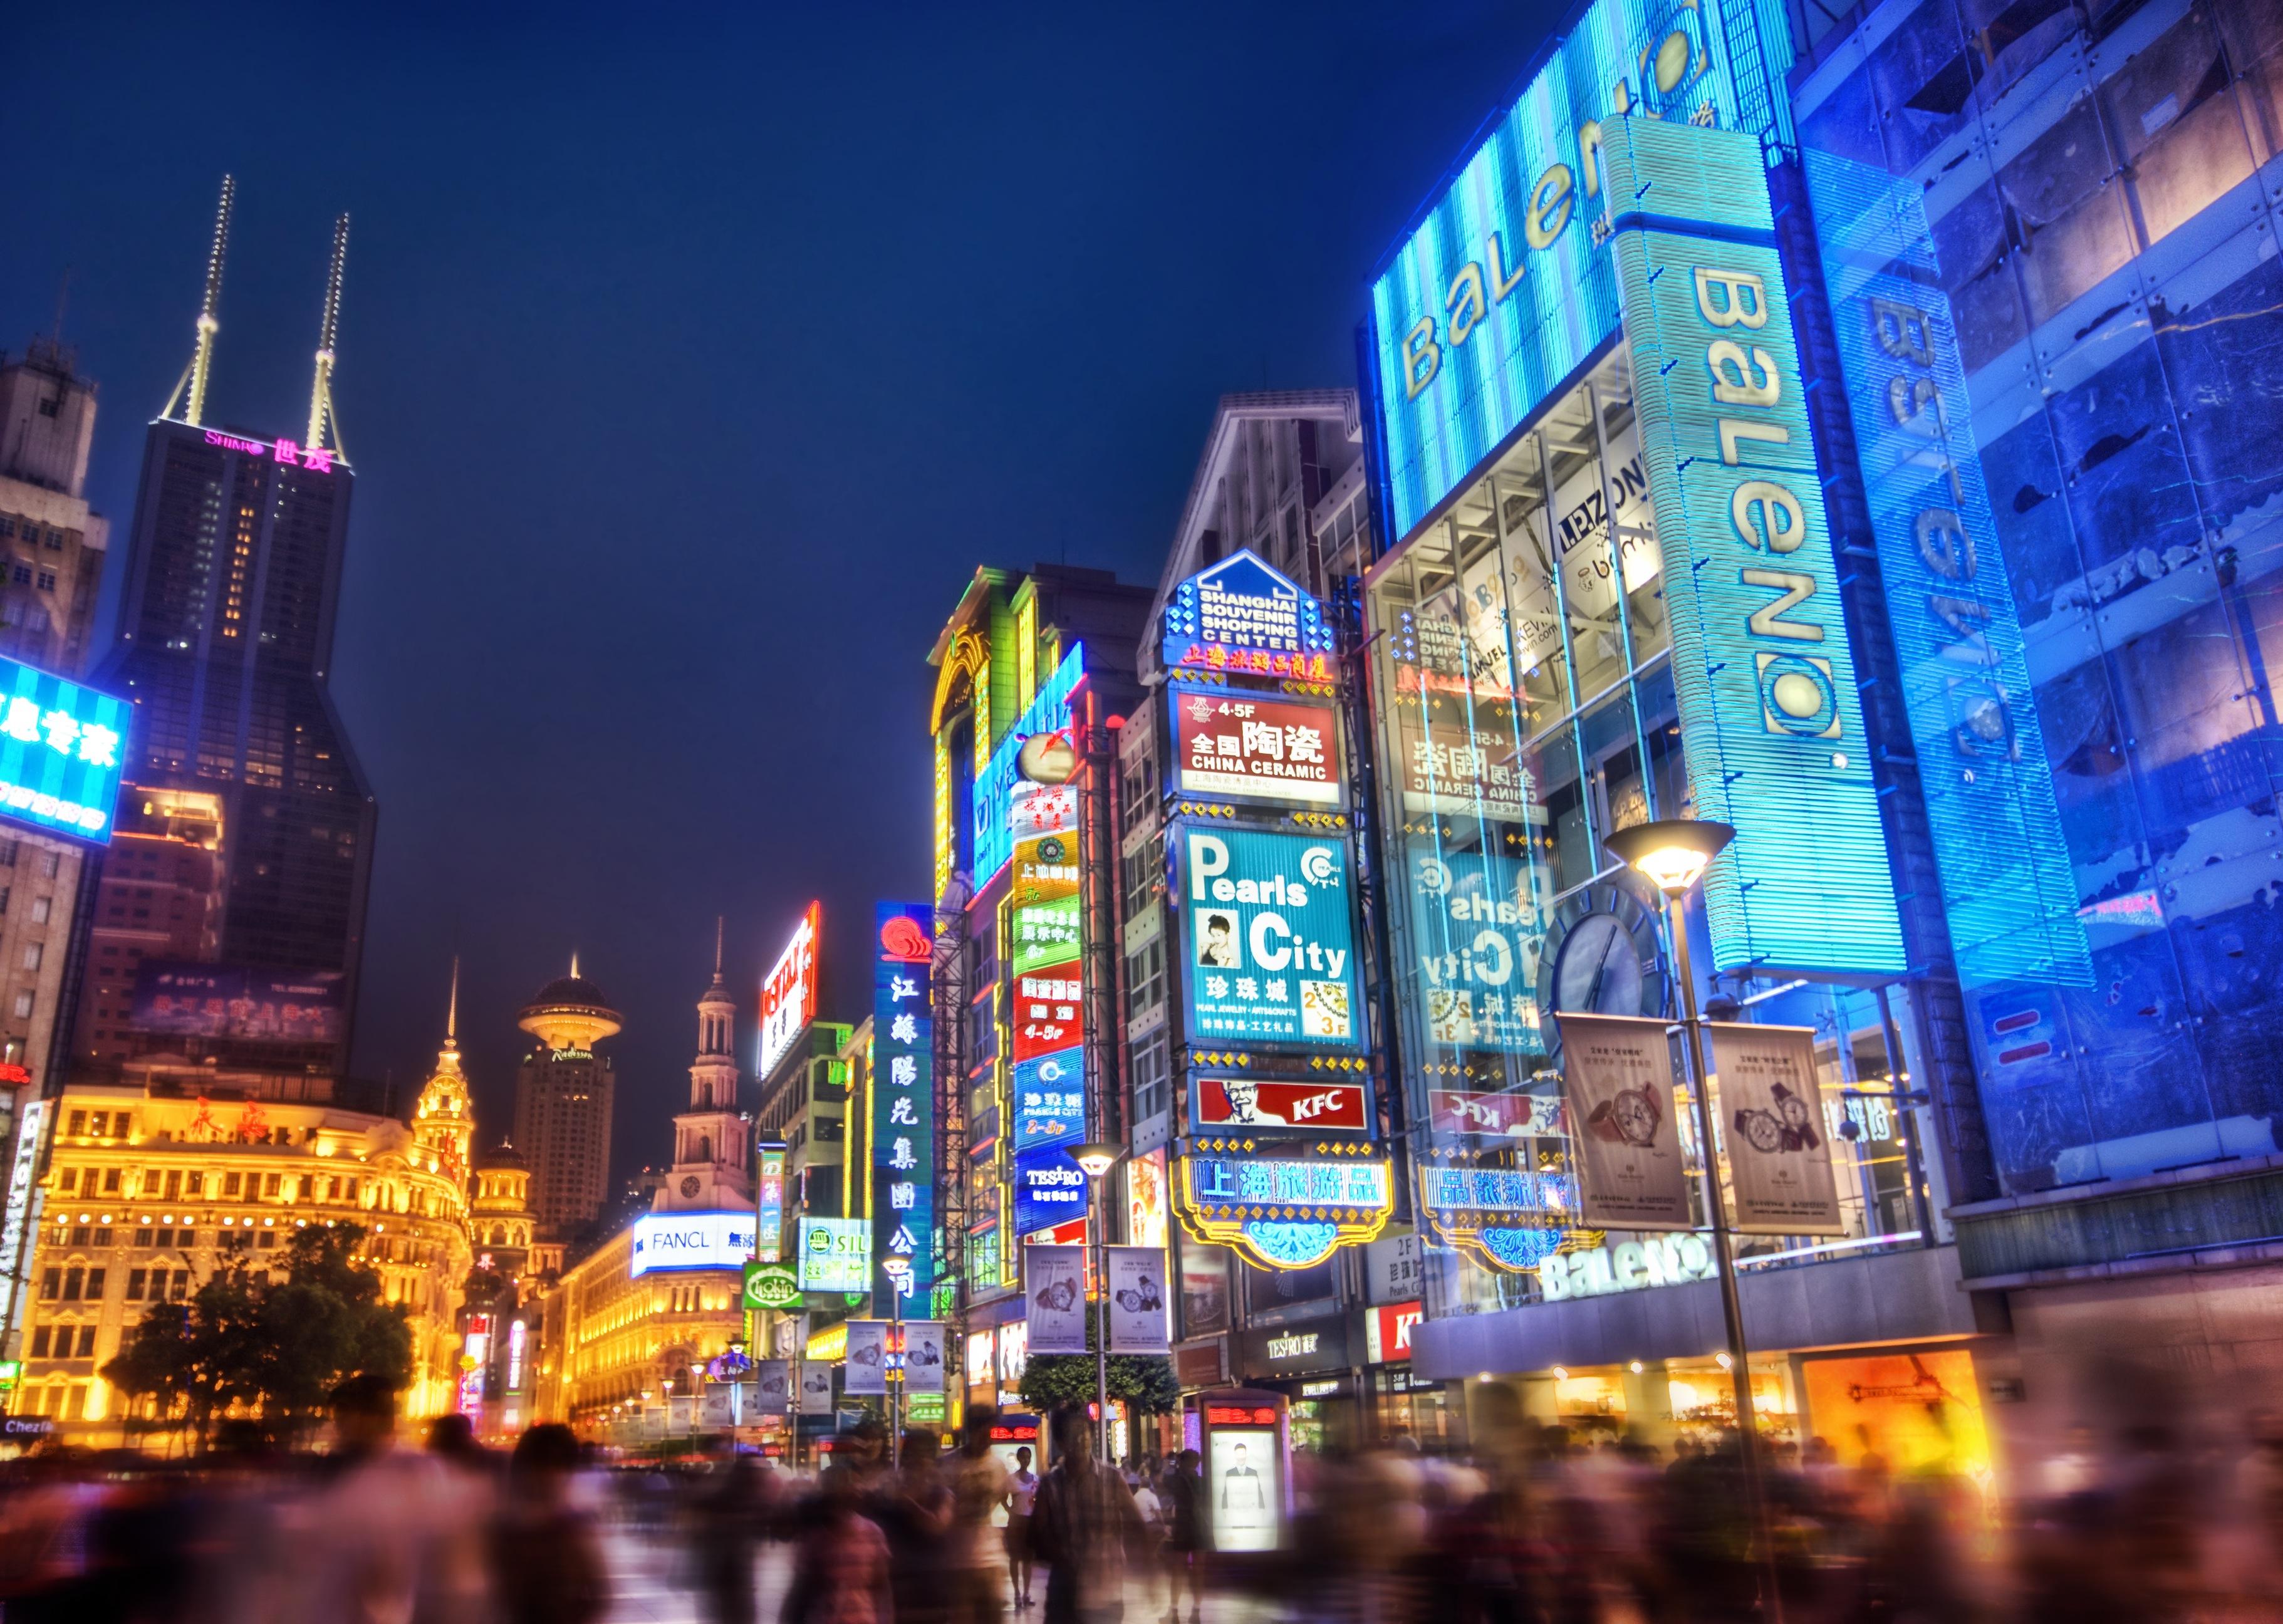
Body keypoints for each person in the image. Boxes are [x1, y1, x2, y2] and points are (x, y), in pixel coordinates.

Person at [1031, 1409, 1144, 1624]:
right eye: (1074, 1433)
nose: (1082, 1439)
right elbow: (1037, 1534)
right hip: (1064, 1591)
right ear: (1061, 1442)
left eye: (1085, 1432)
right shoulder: (1050, 1485)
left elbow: (1136, 1523)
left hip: (1105, 1590)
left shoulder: (1112, 1479)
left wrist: (1146, 1565)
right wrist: (1062, 1554)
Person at [488, 1424, 608, 1624]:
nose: (549, 1476)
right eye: (542, 1467)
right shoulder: (503, 1524)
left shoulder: (574, 1526)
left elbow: (597, 1595)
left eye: (559, 1467)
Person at [783, 1454, 894, 1624]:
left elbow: (882, 1586)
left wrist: (886, 1618)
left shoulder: (872, 1533)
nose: (854, 1490)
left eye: (855, 1484)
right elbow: (801, 1592)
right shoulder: (816, 1538)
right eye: (845, 1484)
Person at [949, 1407, 1015, 1624]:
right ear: (971, 1431)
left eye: (990, 1431)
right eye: (983, 1431)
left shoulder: (998, 1466)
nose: (987, 1438)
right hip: (958, 1563)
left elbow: (1004, 1497)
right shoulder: (948, 1466)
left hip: (991, 1561)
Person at [696, 1453, 779, 1624]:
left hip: (733, 1568)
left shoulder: (749, 1498)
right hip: (725, 1566)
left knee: (735, 1608)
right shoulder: (732, 1498)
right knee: (733, 1608)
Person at [1159, 1449, 1204, 1624]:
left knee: (1178, 1570)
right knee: (1199, 1570)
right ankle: (1197, 1610)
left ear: (1182, 1462)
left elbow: (1163, 1480)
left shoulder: (1177, 1481)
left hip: (1184, 1528)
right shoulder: (1202, 1482)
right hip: (1201, 1529)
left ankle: (1174, 1610)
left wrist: (1171, 1466)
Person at [1006, 1444, 1041, 1609]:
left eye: (1028, 1457)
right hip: (1015, 1523)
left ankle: (1027, 1593)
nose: (1026, 1459)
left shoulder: (1036, 1480)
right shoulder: (1011, 1479)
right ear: (1018, 1459)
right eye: (1023, 1457)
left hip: (1029, 1522)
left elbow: (1038, 1501)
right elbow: (1002, 1497)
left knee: (1028, 1560)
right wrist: (1009, 1510)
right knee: (1014, 1558)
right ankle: (1017, 1593)